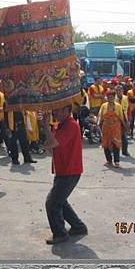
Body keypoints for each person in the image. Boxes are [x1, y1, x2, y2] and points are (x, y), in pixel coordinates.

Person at [41, 104, 88, 245]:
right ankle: (79, 227)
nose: (56, 112)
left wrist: (44, 125)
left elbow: (53, 143)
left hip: (70, 170)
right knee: (60, 201)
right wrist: (45, 126)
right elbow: (49, 145)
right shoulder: (58, 125)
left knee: (52, 202)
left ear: (68, 110)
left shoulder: (72, 125)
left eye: (60, 109)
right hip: (62, 169)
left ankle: (60, 234)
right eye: (55, 109)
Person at [98, 90, 125, 168]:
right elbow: (100, 116)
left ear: (114, 97)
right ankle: (109, 160)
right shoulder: (103, 106)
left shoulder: (118, 106)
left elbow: (121, 117)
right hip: (106, 127)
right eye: (109, 97)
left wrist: (125, 126)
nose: (110, 99)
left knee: (116, 144)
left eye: (112, 97)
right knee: (105, 144)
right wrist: (99, 125)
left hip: (116, 127)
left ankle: (116, 161)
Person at [115, 85, 130, 156]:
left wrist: (129, 119)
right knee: (114, 136)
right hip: (115, 119)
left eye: (120, 90)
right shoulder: (113, 98)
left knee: (124, 136)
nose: (119, 91)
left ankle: (125, 151)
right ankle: (113, 151)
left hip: (124, 118)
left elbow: (129, 108)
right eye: (117, 90)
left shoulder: (126, 98)